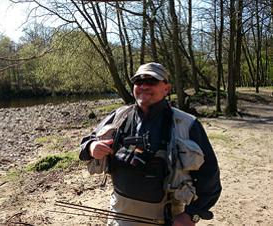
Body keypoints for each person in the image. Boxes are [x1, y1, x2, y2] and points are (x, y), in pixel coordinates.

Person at [79, 62, 221, 226]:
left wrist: (192, 215)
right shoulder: (119, 116)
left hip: (166, 217)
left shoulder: (187, 124)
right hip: (119, 214)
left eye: (152, 81)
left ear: (166, 88)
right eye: (138, 81)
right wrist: (91, 148)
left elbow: (210, 178)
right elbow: (86, 143)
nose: (144, 86)